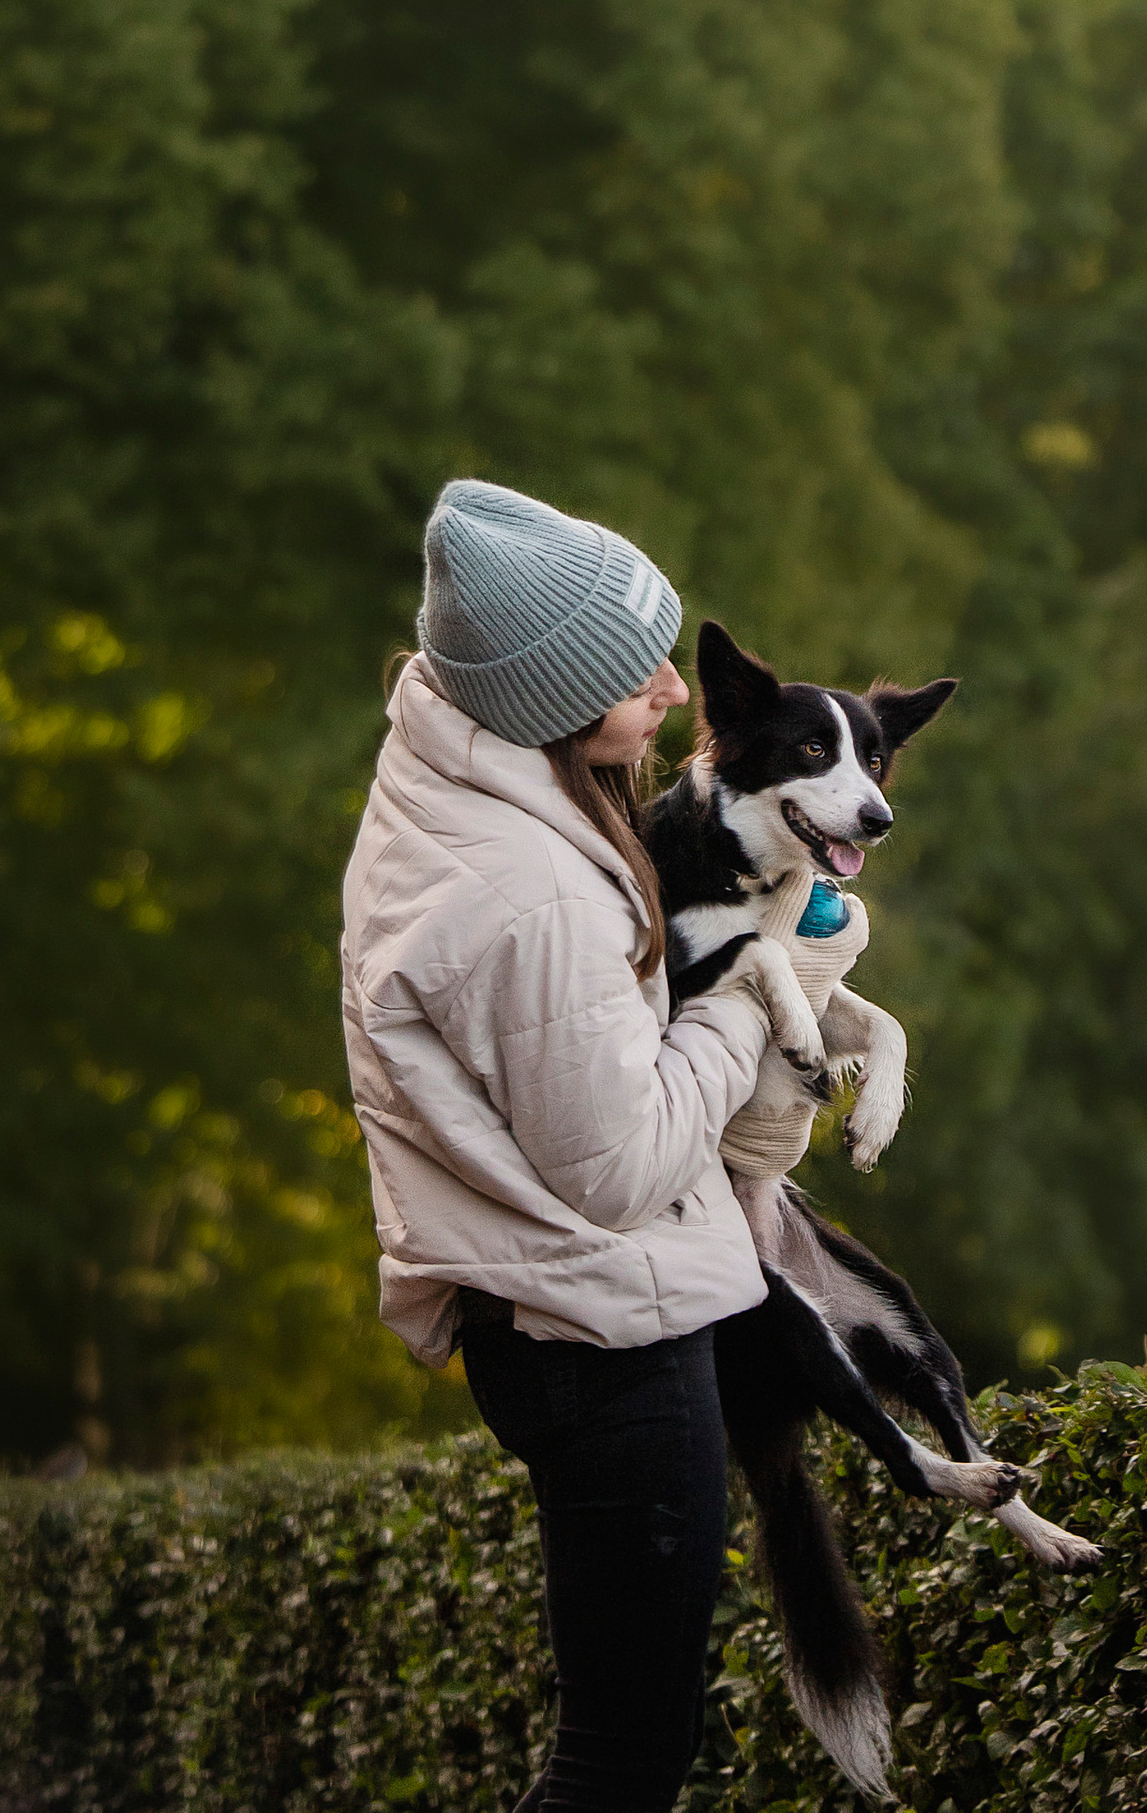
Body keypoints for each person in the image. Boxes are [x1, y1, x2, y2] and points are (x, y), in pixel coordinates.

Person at [342, 476, 771, 1813]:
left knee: (614, 1755)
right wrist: (748, 1006)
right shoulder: (524, 892)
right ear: (543, 697)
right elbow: (620, 1167)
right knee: (618, 1767)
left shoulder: (463, 798)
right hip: (605, 1339)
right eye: (630, 667)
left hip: (553, 1328)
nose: (671, 684)